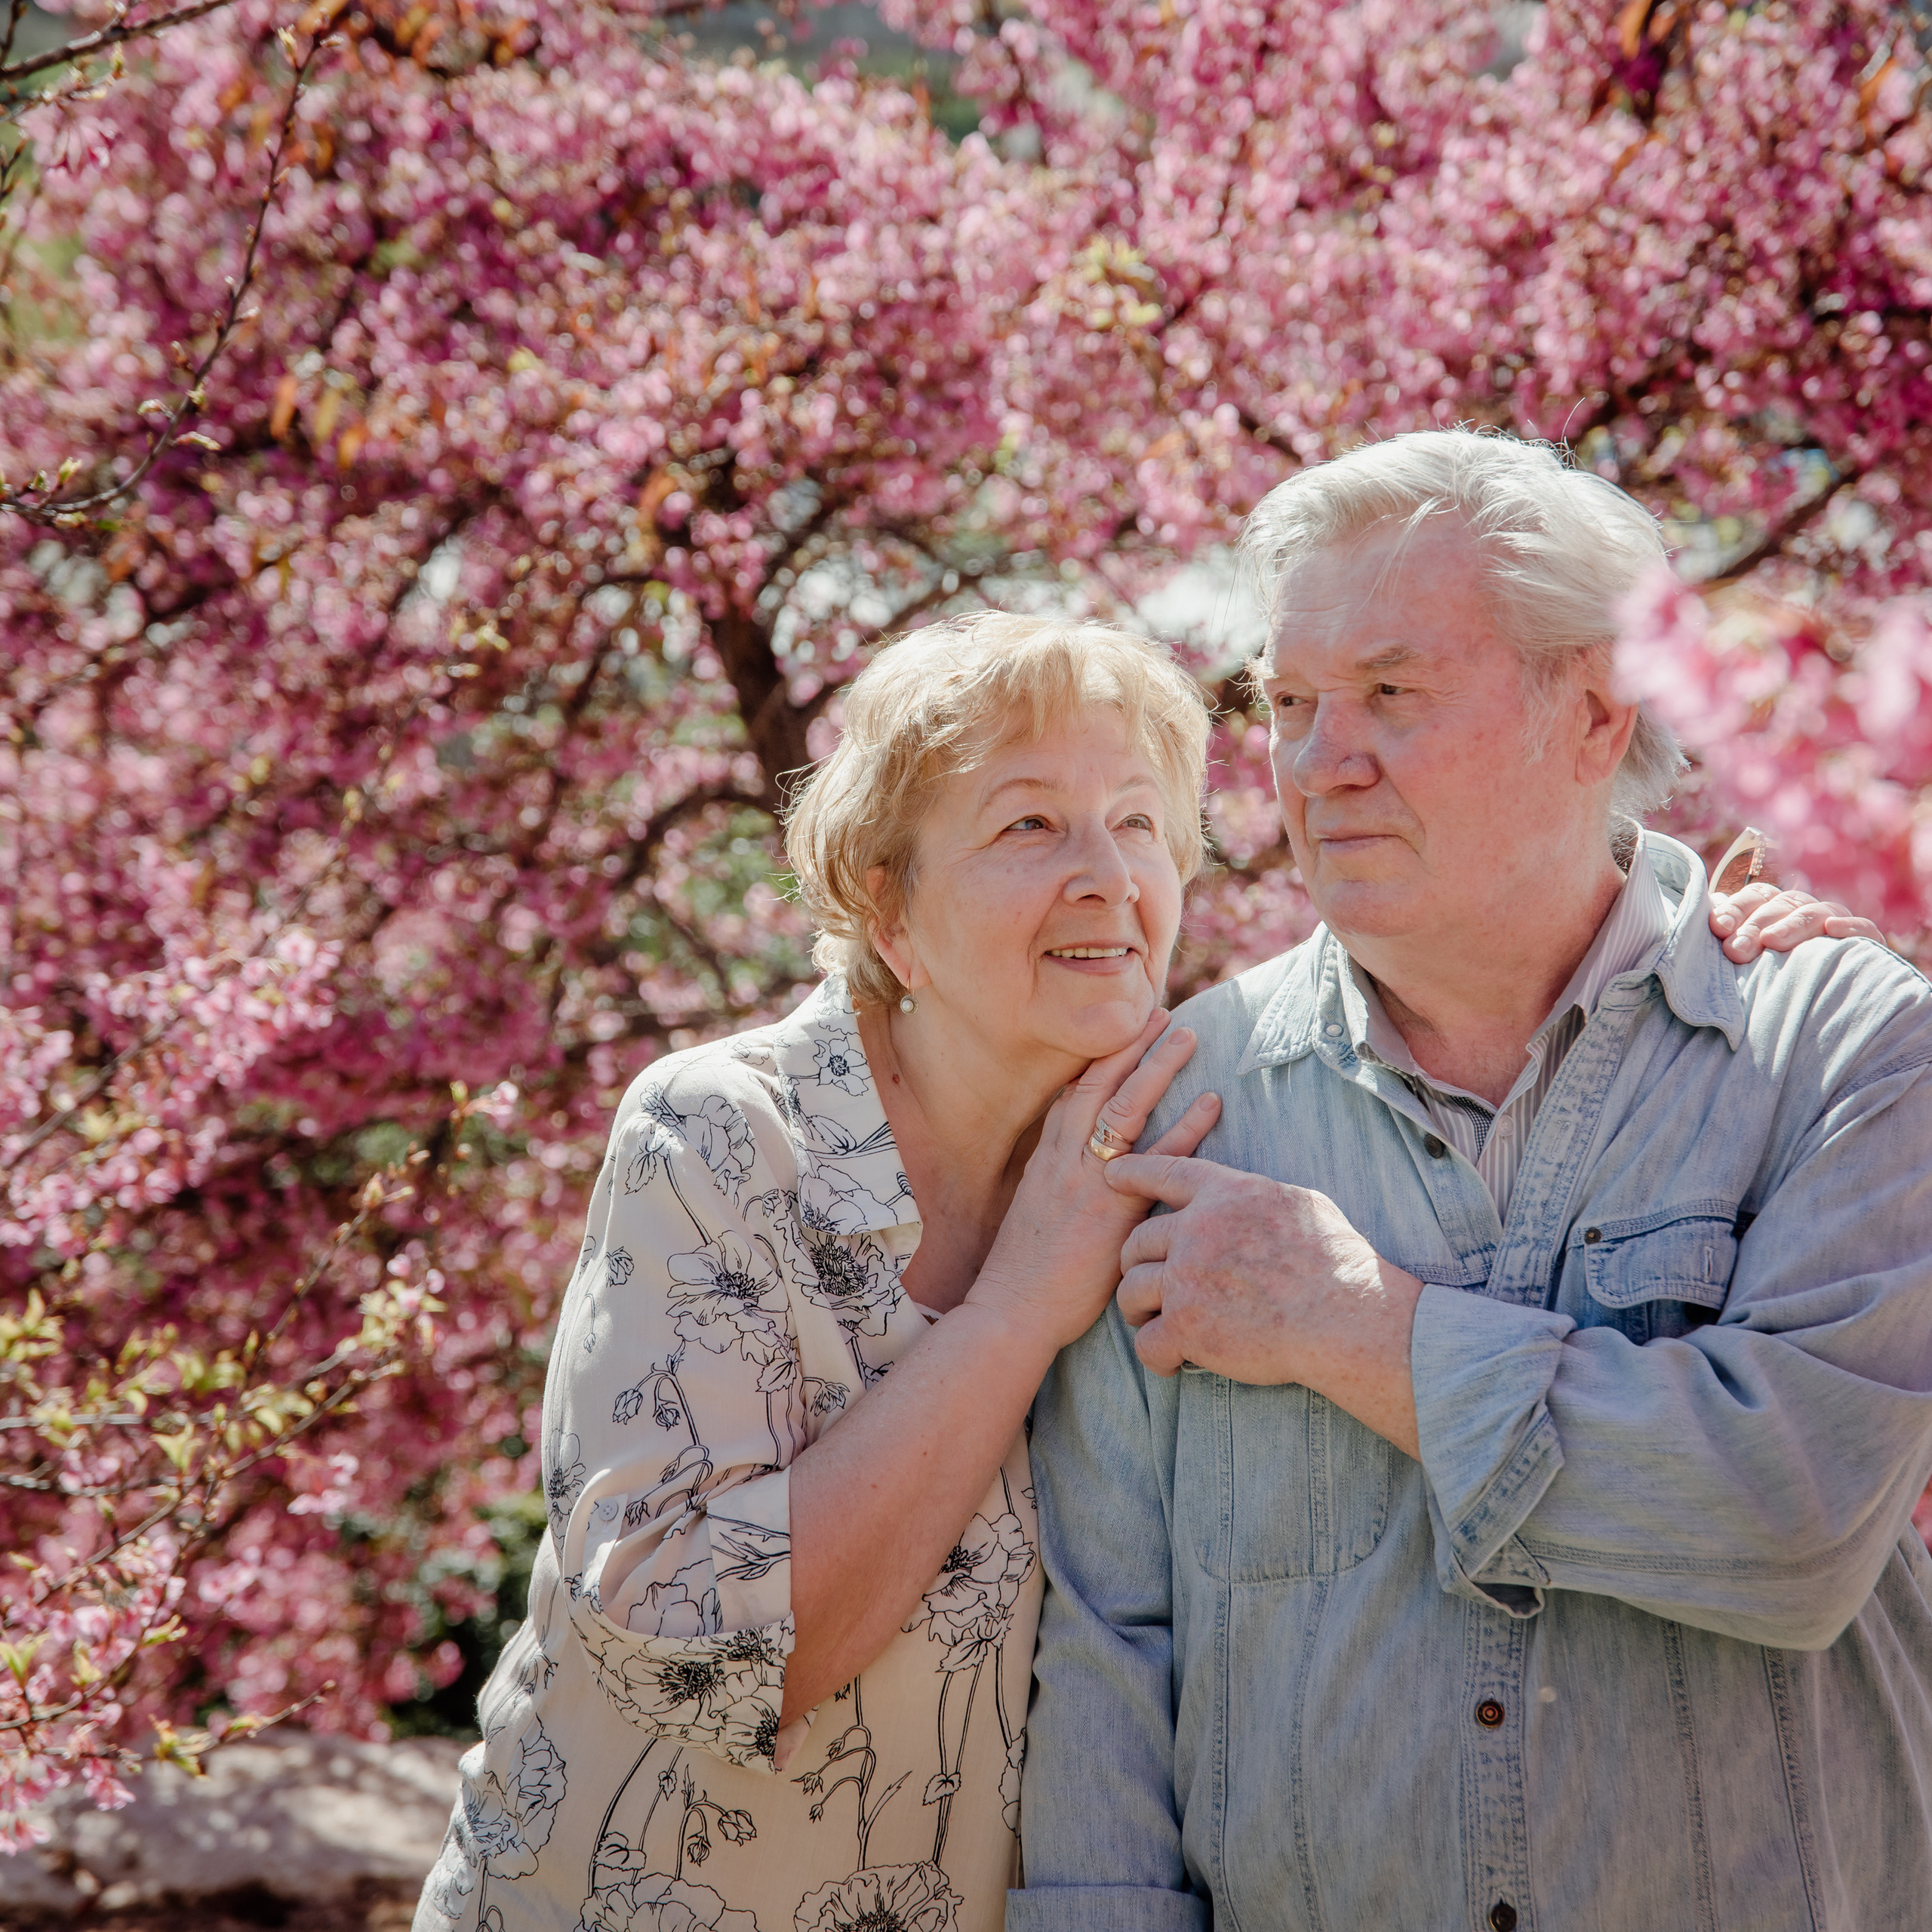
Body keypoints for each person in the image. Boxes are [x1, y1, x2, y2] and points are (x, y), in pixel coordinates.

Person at [414, 603, 1858, 1932]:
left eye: (1140, 825)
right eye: (1030, 826)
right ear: (883, 897)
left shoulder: (1173, 1123)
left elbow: (1507, 949)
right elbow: (708, 1653)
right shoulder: (729, 1135)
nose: (1108, 879)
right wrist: (1024, 1303)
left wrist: (1711, 947)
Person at [1015, 429, 1932, 1932]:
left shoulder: (1845, 1047)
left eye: (1390, 692)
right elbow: (1109, 1655)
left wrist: (1359, 1329)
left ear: (1590, 712)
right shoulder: (1174, 1101)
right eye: (1291, 704)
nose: (1322, 760)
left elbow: (1793, 1521)